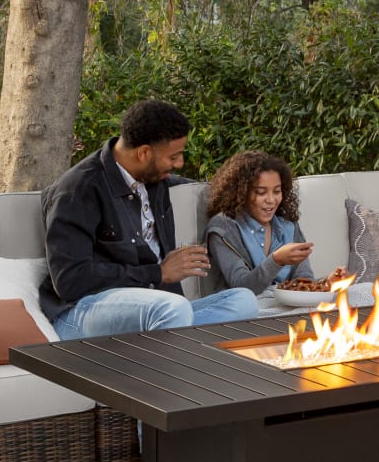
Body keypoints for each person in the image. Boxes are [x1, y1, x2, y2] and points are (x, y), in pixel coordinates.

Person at [40, 99, 261, 339]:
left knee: (243, 302)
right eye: (174, 156)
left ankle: (177, 346)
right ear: (144, 152)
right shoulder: (79, 189)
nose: (180, 164)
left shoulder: (154, 181)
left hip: (157, 310)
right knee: (173, 310)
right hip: (82, 312)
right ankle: (175, 363)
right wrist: (158, 273)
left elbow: (204, 188)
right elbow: (70, 281)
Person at [203, 151, 316, 294]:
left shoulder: (288, 226)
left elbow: (305, 277)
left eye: (276, 191)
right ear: (241, 192)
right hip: (244, 308)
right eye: (261, 192)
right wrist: (276, 261)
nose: (271, 200)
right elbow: (241, 286)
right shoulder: (223, 228)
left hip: (285, 305)